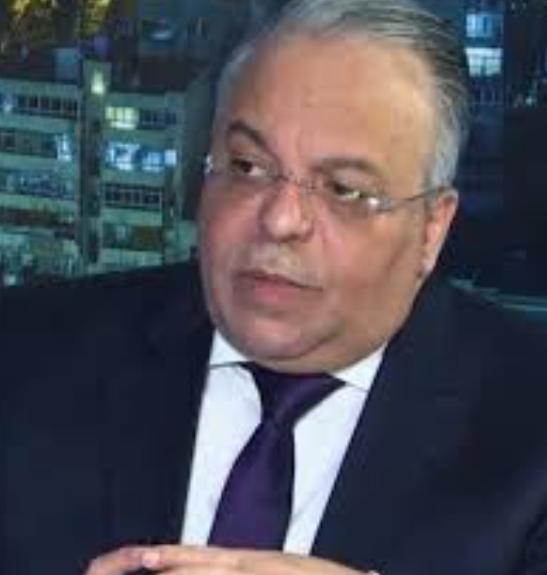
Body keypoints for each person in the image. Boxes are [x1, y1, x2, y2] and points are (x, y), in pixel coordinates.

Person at [0, 0, 546, 574]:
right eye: (247, 168)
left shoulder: (530, 429)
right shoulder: (23, 354)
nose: (280, 220)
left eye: (345, 190)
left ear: (432, 227)